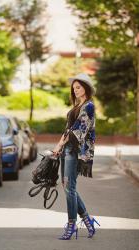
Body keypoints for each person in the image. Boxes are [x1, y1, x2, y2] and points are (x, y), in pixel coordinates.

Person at [53, 73, 100, 240]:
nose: (76, 90)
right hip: (66, 150)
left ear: (86, 88)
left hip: (76, 151)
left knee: (69, 188)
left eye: (78, 87)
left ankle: (71, 225)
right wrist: (58, 147)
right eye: (74, 88)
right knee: (68, 187)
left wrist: (61, 144)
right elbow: (67, 129)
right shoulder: (76, 106)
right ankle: (88, 220)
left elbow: (79, 130)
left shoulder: (89, 106)